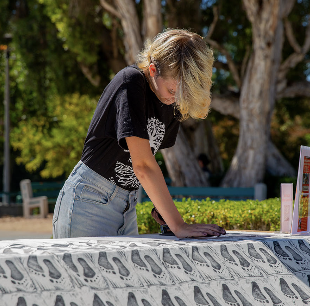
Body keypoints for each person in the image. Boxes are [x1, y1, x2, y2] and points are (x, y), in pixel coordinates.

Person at [52, 29, 226, 239]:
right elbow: (142, 165)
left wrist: (161, 209)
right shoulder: (131, 82)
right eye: (172, 91)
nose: (176, 100)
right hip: (89, 200)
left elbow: (147, 159)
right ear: (152, 70)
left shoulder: (171, 103)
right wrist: (179, 225)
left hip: (128, 203)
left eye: (182, 94)